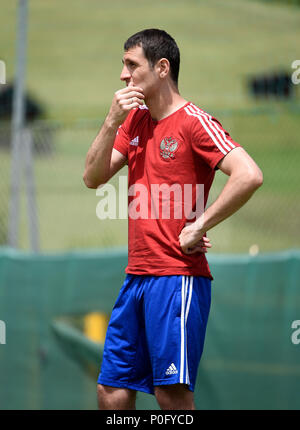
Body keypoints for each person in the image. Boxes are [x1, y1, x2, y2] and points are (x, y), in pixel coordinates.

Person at [83, 29, 263, 410]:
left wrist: (200, 225)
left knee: (171, 396)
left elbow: (249, 174)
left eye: (131, 64)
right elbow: (92, 178)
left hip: (177, 278)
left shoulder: (195, 122)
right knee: (111, 392)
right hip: (137, 277)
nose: (123, 75)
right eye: (123, 65)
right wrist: (112, 120)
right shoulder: (132, 122)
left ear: (162, 68)